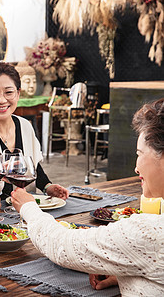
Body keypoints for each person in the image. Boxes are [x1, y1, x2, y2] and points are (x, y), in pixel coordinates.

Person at [10, 98, 164, 296]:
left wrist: (28, 208)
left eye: (139, 153)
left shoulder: (149, 231)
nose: (136, 167)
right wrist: (126, 273)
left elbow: (61, 244)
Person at [0, 61, 68, 200]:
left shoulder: (25, 125)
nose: (1, 100)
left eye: (8, 92)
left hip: (23, 207)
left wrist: (47, 186)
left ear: (18, 94)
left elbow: (33, 164)